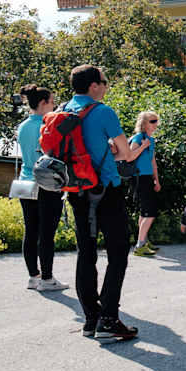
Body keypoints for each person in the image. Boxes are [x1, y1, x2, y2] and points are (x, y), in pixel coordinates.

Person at [64, 65, 137, 339]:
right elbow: (127, 154)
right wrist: (112, 152)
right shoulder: (102, 111)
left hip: (76, 189)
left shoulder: (64, 110)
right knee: (118, 252)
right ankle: (108, 318)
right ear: (94, 85)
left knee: (86, 252)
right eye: (104, 82)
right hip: (105, 189)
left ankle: (90, 320)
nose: (106, 87)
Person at [15, 84, 69, 292]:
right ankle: (47, 278)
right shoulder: (48, 126)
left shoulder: (22, 126)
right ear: (44, 103)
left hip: (26, 181)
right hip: (46, 182)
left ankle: (33, 276)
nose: (55, 105)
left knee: (30, 231)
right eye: (53, 102)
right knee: (47, 233)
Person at [130, 111, 161, 257]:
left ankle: (142, 240)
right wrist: (142, 146)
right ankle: (140, 245)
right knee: (150, 211)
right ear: (144, 123)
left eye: (156, 121)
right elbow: (129, 157)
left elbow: (153, 162)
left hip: (147, 177)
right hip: (139, 177)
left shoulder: (150, 140)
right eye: (152, 121)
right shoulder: (138, 138)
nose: (155, 124)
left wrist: (157, 180)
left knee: (145, 211)